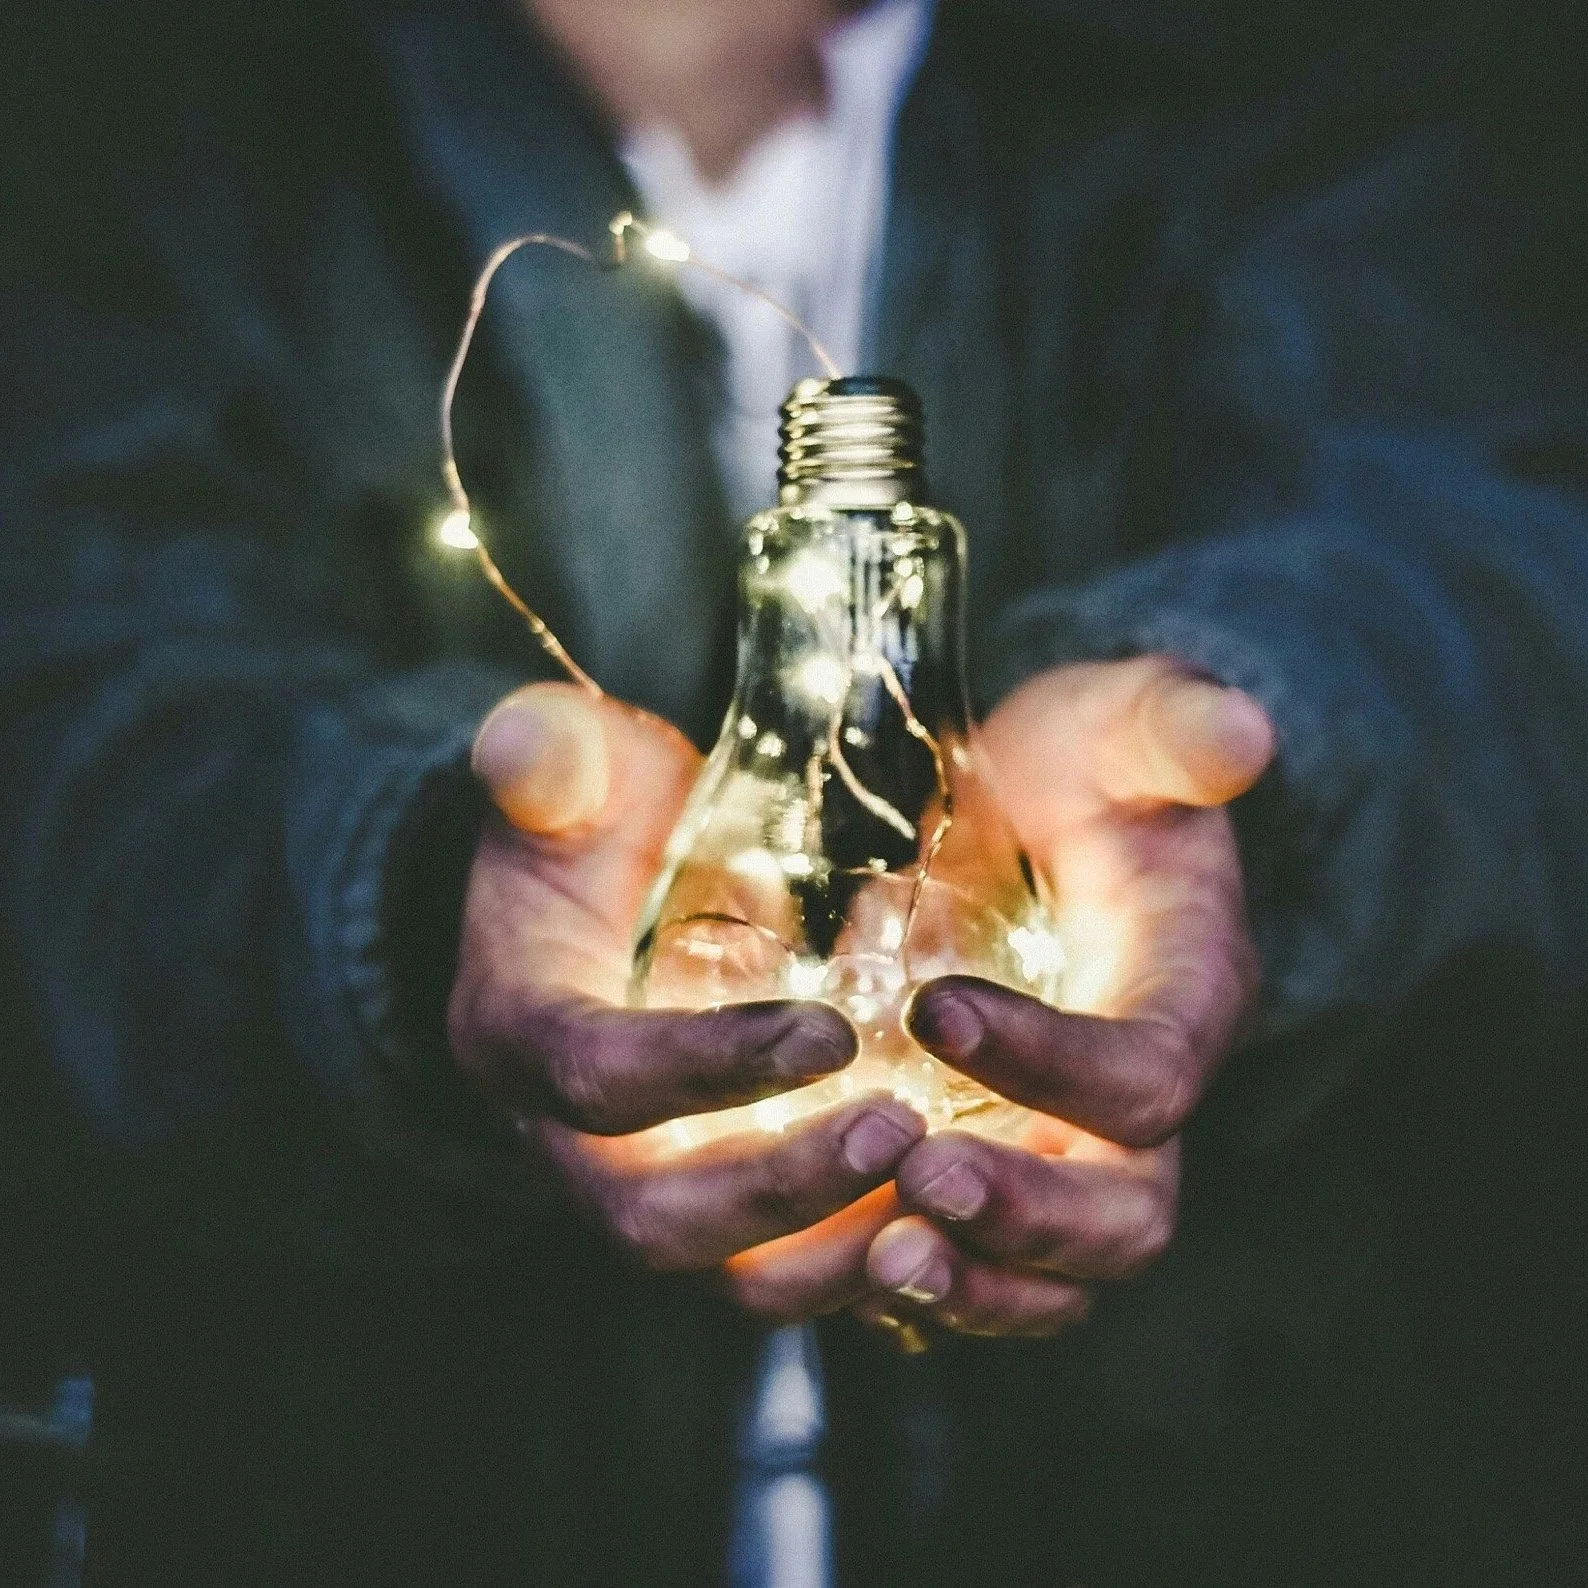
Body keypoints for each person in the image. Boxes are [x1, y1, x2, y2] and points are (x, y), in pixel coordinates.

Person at [1, 0, 1584, 1580]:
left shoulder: (1297, 72)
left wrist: (1251, 763)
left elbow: (1499, 556)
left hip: (1217, 1482)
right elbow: (79, 709)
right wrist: (411, 904)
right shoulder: (169, 110)